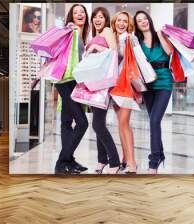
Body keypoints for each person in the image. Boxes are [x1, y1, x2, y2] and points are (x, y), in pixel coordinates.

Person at [133, 11, 174, 174]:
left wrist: (161, 35)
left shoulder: (160, 35)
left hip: (164, 81)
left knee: (154, 120)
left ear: (149, 20)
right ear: (136, 25)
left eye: (144, 19)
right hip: (147, 84)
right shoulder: (137, 42)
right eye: (139, 20)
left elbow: (170, 52)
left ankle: (154, 160)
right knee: (153, 120)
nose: (143, 22)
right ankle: (160, 154)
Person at [54, 4, 90, 174]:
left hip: (75, 81)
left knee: (67, 122)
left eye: (82, 12)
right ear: (71, 16)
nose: (79, 14)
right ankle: (62, 161)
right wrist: (68, 28)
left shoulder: (85, 34)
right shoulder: (70, 30)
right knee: (82, 123)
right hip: (65, 80)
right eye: (75, 12)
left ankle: (69, 160)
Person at [86, 7, 120, 174]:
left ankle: (114, 161)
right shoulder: (94, 36)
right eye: (95, 17)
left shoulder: (107, 31)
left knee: (97, 124)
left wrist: (96, 49)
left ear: (106, 20)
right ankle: (101, 160)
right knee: (99, 123)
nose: (97, 19)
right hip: (94, 83)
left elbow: (114, 52)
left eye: (101, 17)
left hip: (104, 84)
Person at [110, 11, 137, 174]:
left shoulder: (130, 38)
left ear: (128, 24)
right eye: (119, 20)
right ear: (114, 22)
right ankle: (125, 158)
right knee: (121, 124)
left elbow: (138, 60)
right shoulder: (112, 38)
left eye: (125, 22)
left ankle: (132, 163)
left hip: (127, 85)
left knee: (124, 123)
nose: (121, 24)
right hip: (114, 87)